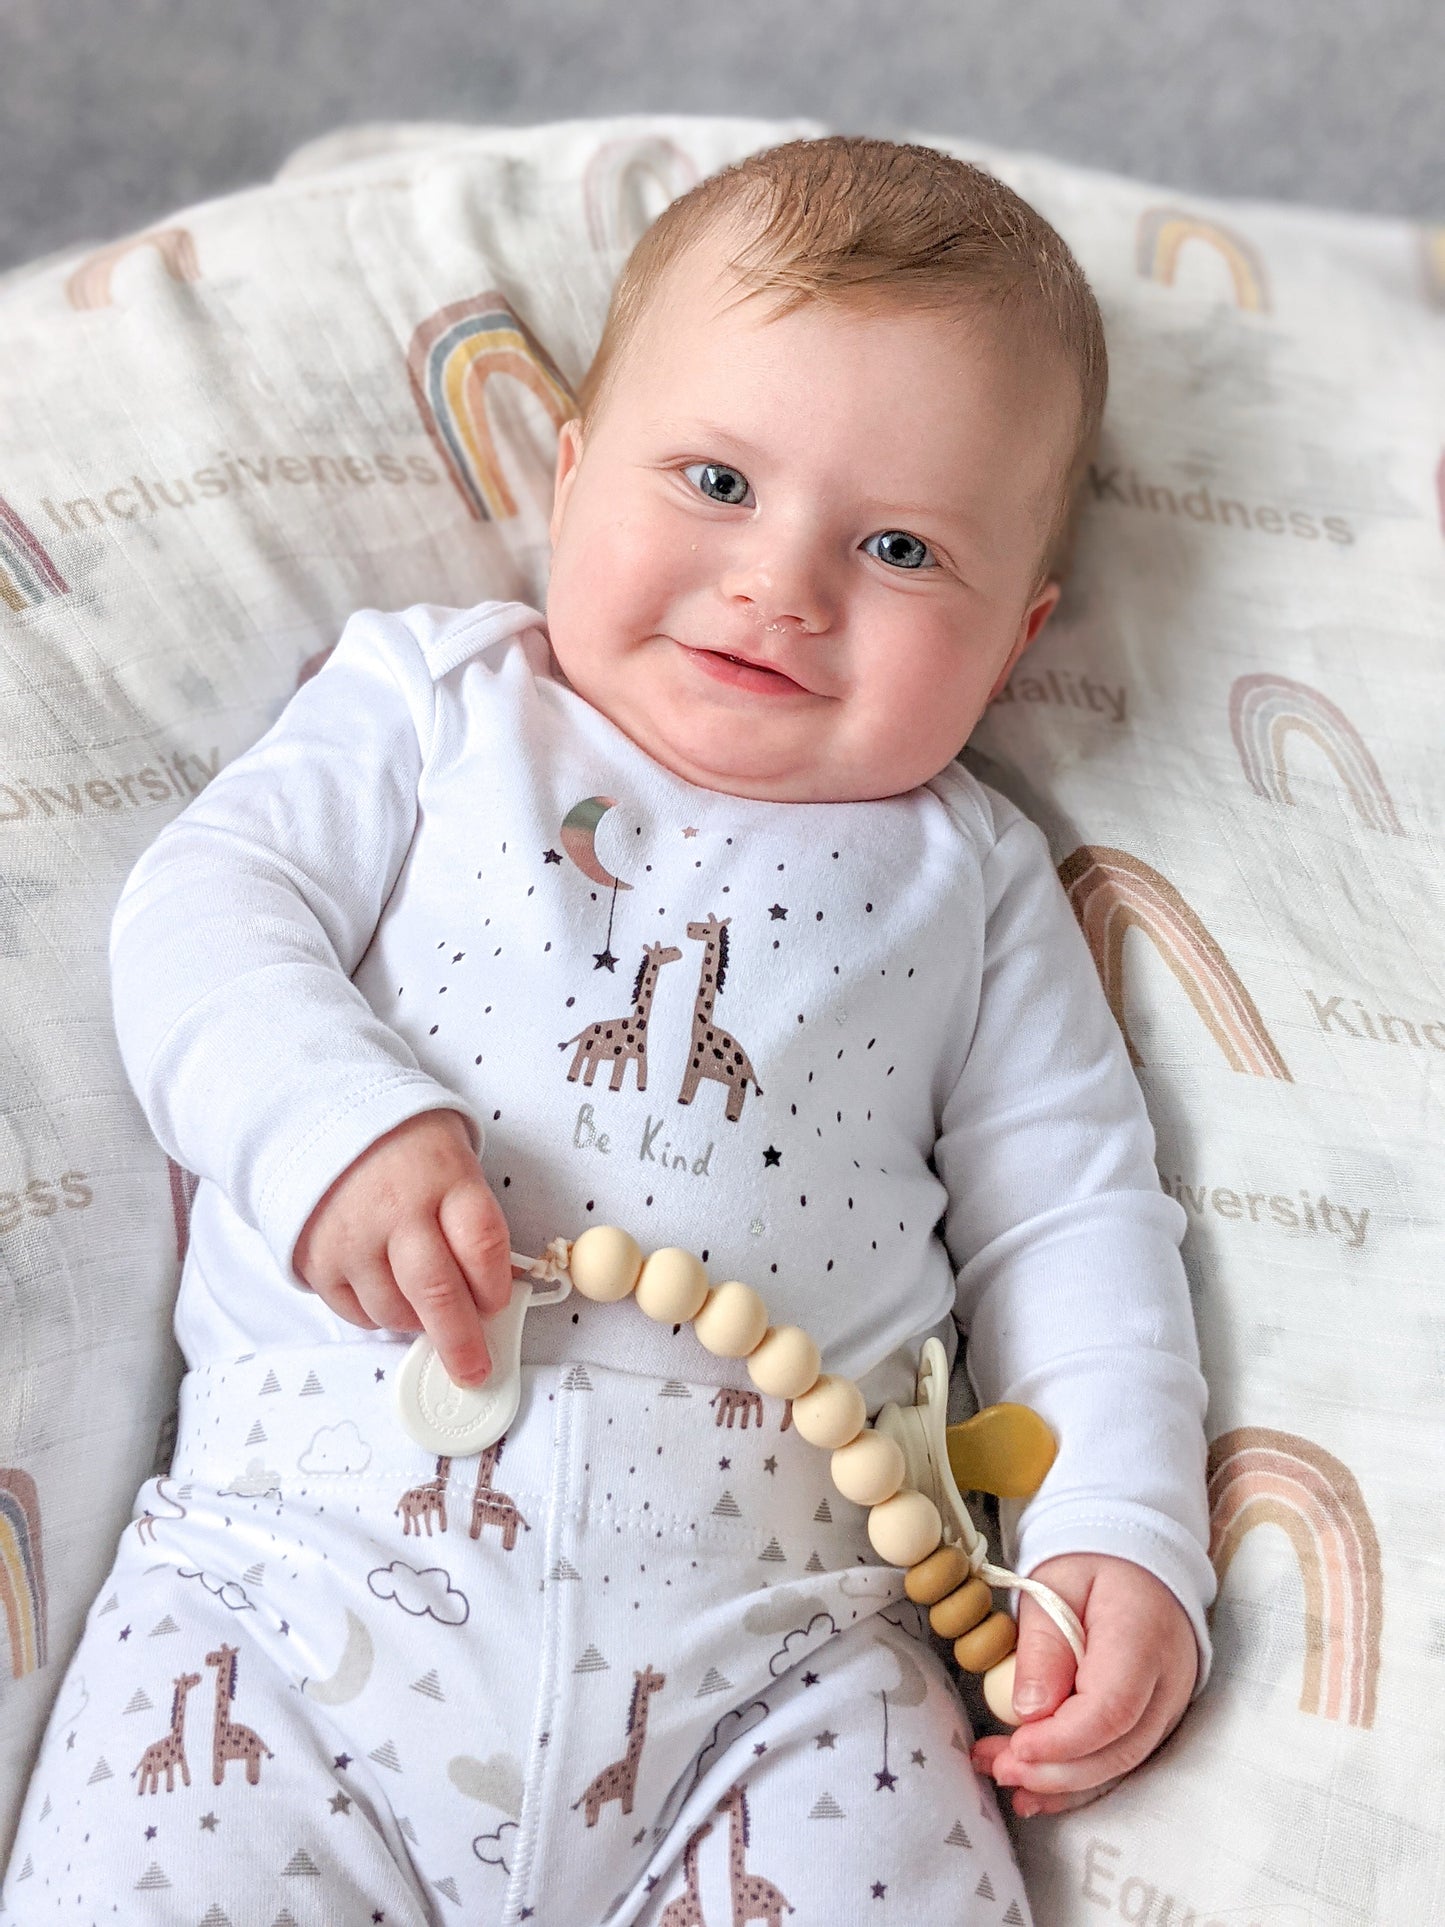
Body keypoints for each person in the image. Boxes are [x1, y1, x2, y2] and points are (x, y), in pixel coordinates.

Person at [4, 137, 1213, 1924]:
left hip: (784, 1674)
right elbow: (205, 917)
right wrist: (326, 1119)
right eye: (715, 479)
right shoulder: (431, 708)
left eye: (898, 548)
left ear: (1016, 634)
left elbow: (1074, 1217)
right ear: (569, 477)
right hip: (283, 1611)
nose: (783, 585)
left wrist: (1123, 1531)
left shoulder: (969, 878)